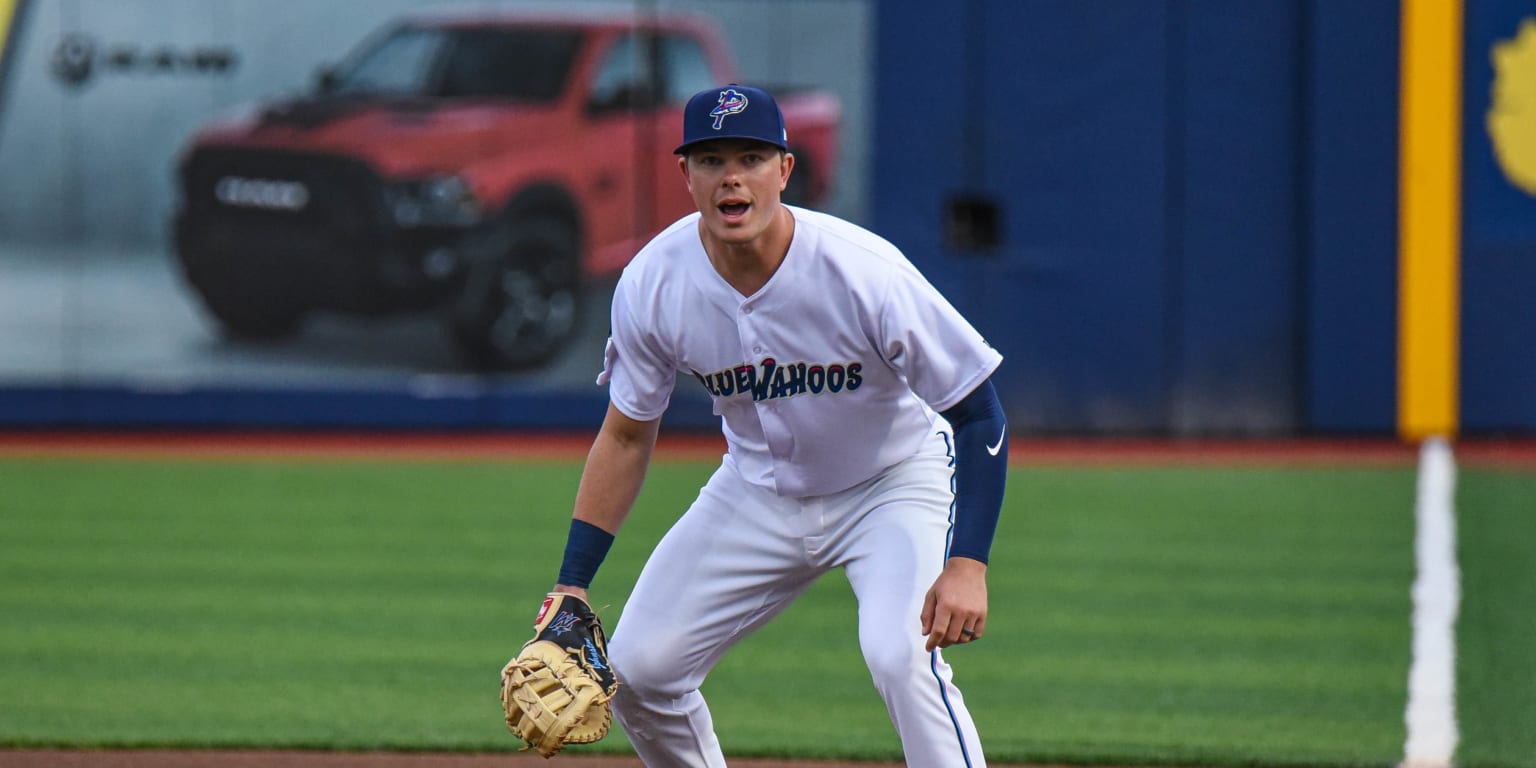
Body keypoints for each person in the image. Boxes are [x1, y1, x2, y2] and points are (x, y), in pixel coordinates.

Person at [547, 83, 1008, 767]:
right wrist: (572, 582)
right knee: (640, 673)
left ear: (785, 170)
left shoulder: (863, 271)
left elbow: (978, 412)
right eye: (710, 159)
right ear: (685, 174)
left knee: (898, 653)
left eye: (752, 157)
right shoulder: (654, 283)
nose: (732, 177)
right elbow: (625, 433)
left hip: (890, 483)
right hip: (757, 490)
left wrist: (968, 563)